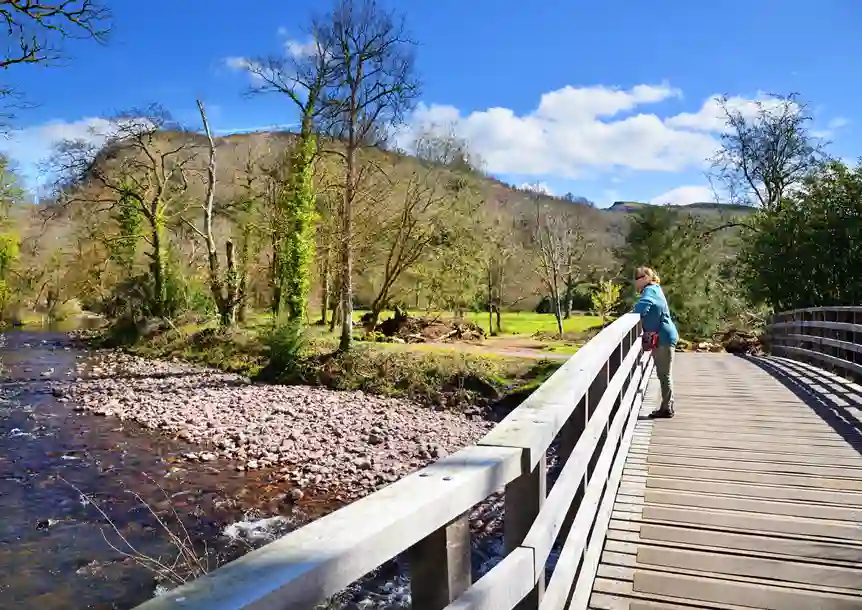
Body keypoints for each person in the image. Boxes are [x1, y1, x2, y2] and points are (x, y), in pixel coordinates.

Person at [633, 266, 678, 418]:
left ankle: (667, 408)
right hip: (664, 336)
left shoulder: (650, 290)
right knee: (663, 373)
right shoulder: (655, 288)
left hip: (664, 337)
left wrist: (633, 313)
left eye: (637, 278)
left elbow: (644, 306)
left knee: (664, 374)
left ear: (646, 278)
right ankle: (667, 406)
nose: (635, 282)